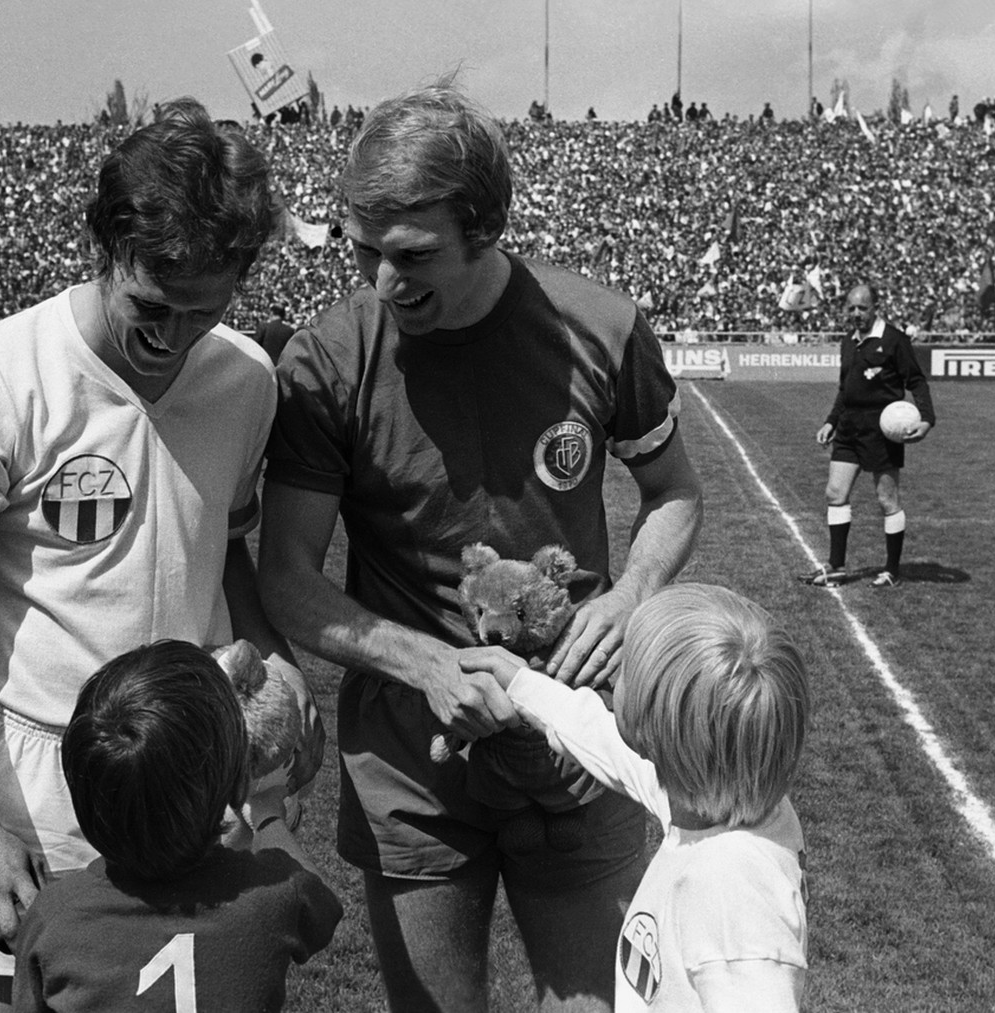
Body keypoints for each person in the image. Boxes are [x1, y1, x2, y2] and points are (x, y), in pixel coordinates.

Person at [259, 82, 704, 1013]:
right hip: (413, 753)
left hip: (582, 742)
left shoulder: (601, 329)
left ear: (486, 224)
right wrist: (426, 663)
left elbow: (674, 497)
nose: (385, 281)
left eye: (413, 254)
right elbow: (287, 578)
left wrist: (628, 601)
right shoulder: (328, 359)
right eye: (364, 250)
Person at [0, 97, 322, 1013]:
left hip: (203, 787)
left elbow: (225, 546)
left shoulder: (243, 380)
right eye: (152, 308)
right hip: (36, 796)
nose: (172, 340)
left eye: (202, 313)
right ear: (103, 249)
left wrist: (276, 661)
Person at [461, 582, 809, 1012]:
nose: (614, 670)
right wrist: (520, 684)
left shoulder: (733, 884)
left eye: (628, 668)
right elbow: (599, 737)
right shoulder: (705, 799)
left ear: (651, 726)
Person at [11, 641, 343, 1013]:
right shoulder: (275, 893)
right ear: (235, 786)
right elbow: (323, 907)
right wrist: (267, 812)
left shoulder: (54, 915)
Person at [800, 283, 934, 589]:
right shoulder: (848, 341)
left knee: (887, 499)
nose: (856, 314)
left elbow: (916, 381)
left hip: (882, 431)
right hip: (848, 428)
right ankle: (836, 566)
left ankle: (891, 570)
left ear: (876, 307)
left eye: (863, 308)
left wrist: (926, 420)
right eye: (851, 308)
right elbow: (845, 388)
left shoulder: (894, 340)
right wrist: (831, 421)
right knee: (835, 493)